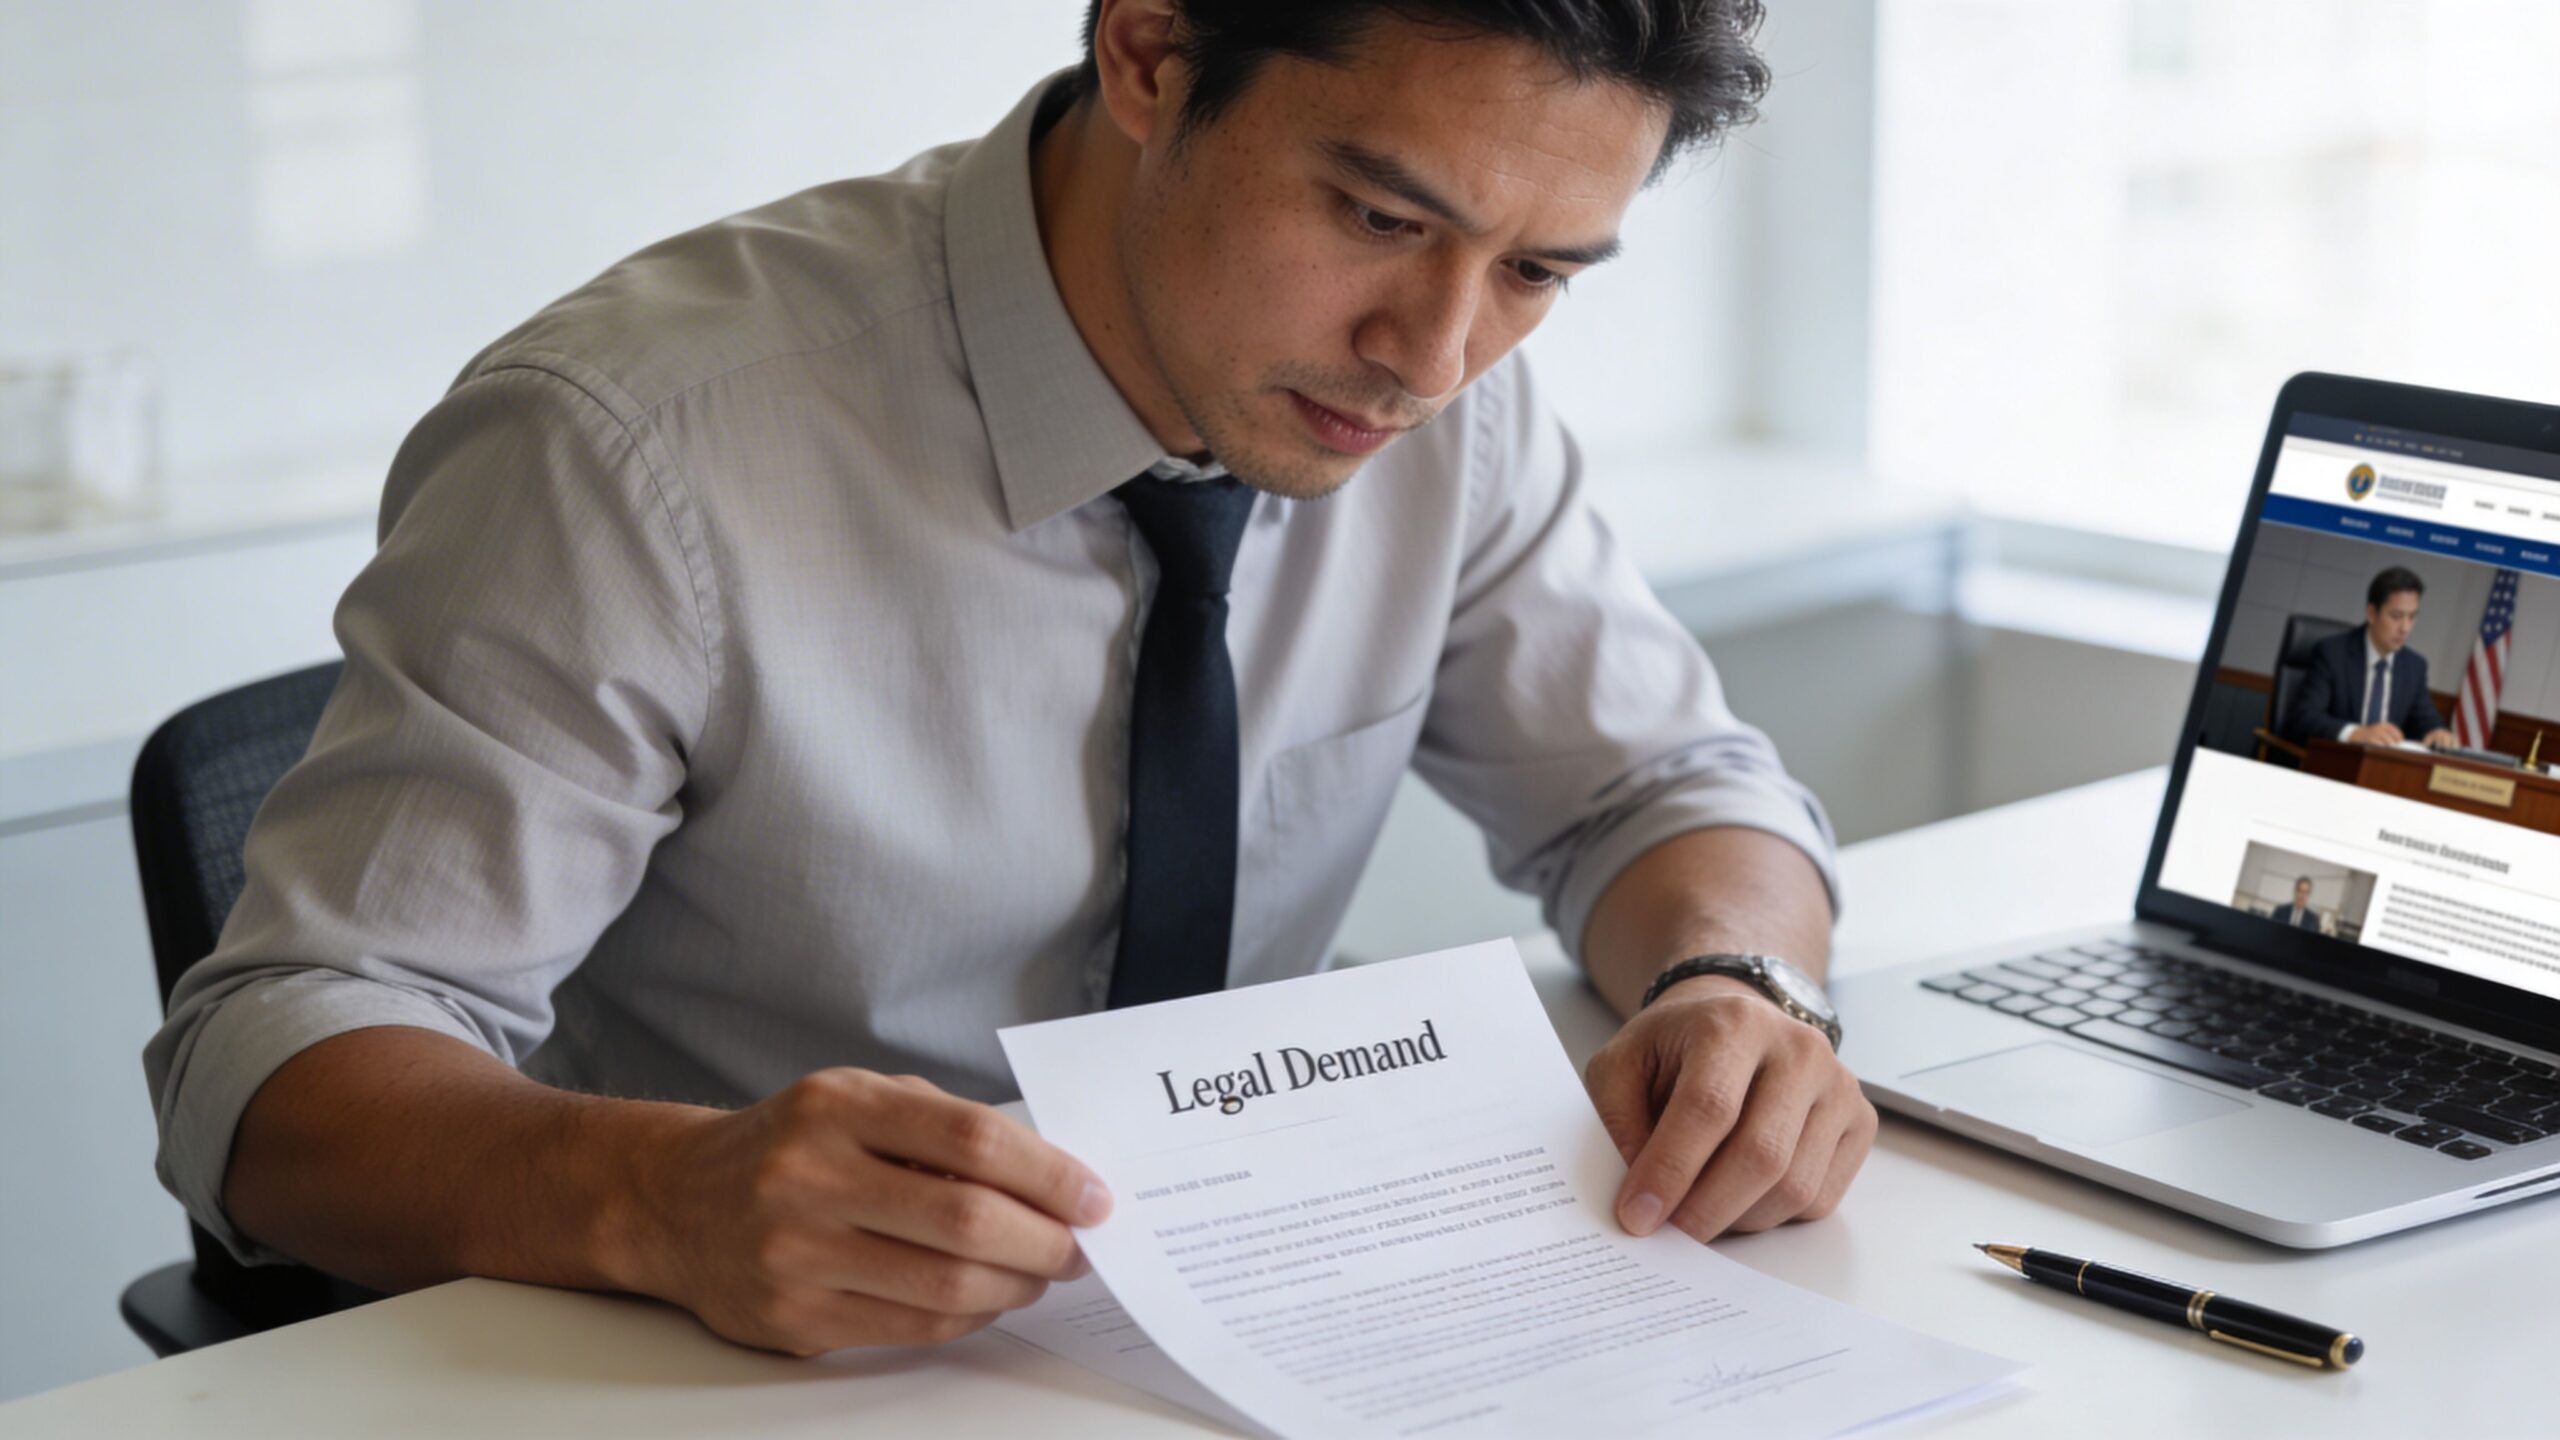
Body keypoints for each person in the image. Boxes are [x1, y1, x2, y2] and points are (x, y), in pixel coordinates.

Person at [145, 0, 1873, 1359]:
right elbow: (276, 1060)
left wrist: (1743, 990)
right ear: (1147, 52)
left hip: (1270, 1321)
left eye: (1538, 273)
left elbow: (1663, 789)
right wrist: (662, 1198)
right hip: (760, 1363)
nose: (1432, 353)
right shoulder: (635, 447)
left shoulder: (1451, 401)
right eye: (1373, 214)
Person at [2285, 565, 2457, 750]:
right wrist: (2357, 733)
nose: (2405, 628)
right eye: (2396, 616)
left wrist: (2437, 731)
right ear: (2372, 614)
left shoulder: (2415, 666)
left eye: (2412, 617)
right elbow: (2305, 717)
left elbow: (2426, 717)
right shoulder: (2332, 653)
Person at [2267, 876, 2335, 936]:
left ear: (2309, 894)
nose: (2302, 895)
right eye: (2300, 891)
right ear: (2295, 891)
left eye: (2306, 892)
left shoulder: (2314, 919)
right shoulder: (2280, 911)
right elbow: (2270, 933)